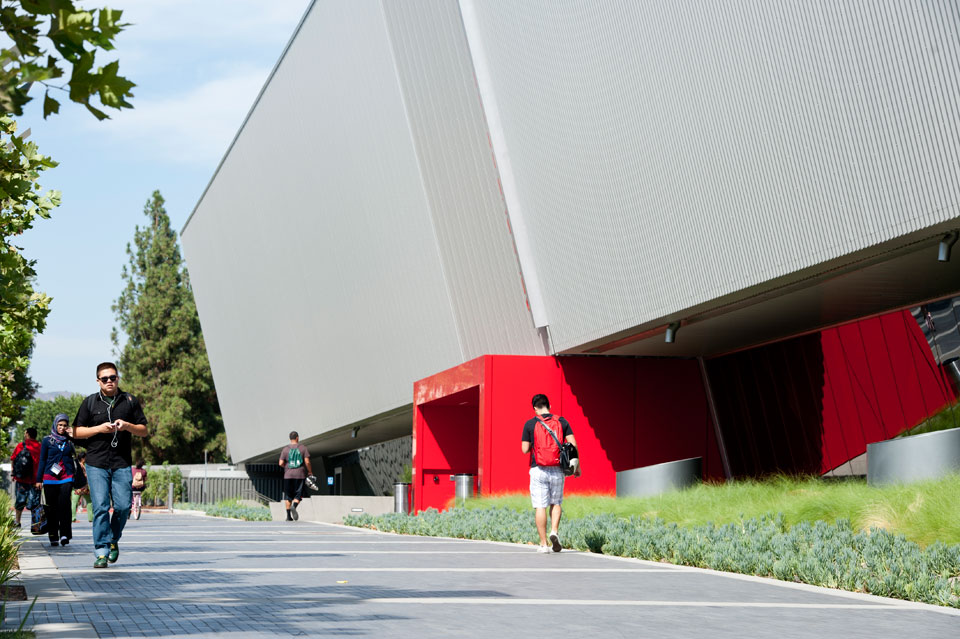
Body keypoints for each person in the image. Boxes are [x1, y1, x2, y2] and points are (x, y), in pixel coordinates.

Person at [72, 362, 149, 569]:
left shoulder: (129, 401)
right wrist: (98, 429)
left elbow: (144, 430)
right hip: (96, 463)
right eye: (104, 378)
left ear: (118, 378)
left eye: (112, 377)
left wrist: (128, 426)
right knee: (101, 508)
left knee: (123, 506)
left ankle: (113, 538)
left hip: (122, 463)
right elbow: (76, 432)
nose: (109, 381)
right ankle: (101, 551)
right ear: (98, 381)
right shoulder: (90, 403)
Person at [521, 393, 579, 553]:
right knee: (556, 502)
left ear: (534, 408)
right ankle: (554, 531)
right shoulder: (561, 421)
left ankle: (544, 544)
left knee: (540, 506)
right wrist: (577, 466)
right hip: (557, 469)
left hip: (538, 469)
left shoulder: (530, 424)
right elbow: (573, 444)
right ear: (549, 406)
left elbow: (525, 449)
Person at [36, 414, 77, 547]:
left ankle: (65, 534)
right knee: (51, 508)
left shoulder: (69, 440)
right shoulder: (47, 440)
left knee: (65, 506)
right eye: (60, 425)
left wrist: (73, 433)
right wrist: (39, 479)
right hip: (49, 478)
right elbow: (42, 460)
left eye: (65, 425)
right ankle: (53, 535)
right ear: (55, 425)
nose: (62, 427)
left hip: (66, 477)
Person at [9, 427, 41, 528]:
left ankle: (17, 521)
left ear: (27, 434)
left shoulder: (21, 445)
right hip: (35, 480)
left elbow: (13, 459)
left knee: (20, 501)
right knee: (35, 503)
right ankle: (35, 525)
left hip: (21, 479)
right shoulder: (40, 446)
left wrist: (13, 473)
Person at [279, 431, 312, 521]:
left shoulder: (285, 449)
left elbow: (280, 463)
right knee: (298, 494)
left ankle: (288, 516)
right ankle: (294, 506)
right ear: (297, 438)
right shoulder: (303, 448)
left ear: (290, 438)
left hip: (288, 475)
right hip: (300, 475)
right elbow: (307, 462)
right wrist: (310, 472)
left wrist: (287, 466)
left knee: (288, 496)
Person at [71, 451, 93, 523]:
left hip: (78, 487)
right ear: (83, 458)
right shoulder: (81, 466)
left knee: (74, 502)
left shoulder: (77, 465)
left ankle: (73, 518)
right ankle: (91, 517)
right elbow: (85, 476)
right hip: (82, 487)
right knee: (89, 501)